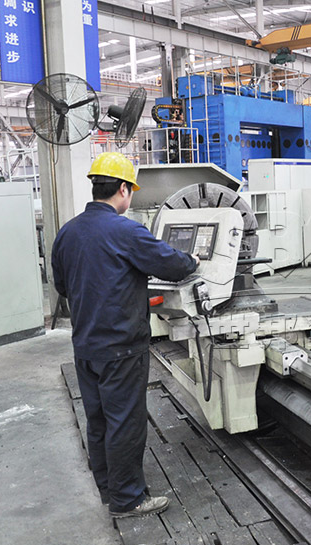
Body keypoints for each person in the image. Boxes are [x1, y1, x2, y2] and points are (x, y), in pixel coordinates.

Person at [51, 152, 199, 518]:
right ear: (123, 189)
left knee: (99, 420)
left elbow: (63, 286)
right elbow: (172, 264)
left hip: (86, 347)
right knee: (125, 423)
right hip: (121, 348)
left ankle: (108, 488)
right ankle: (128, 499)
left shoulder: (67, 233)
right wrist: (194, 261)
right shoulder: (126, 230)